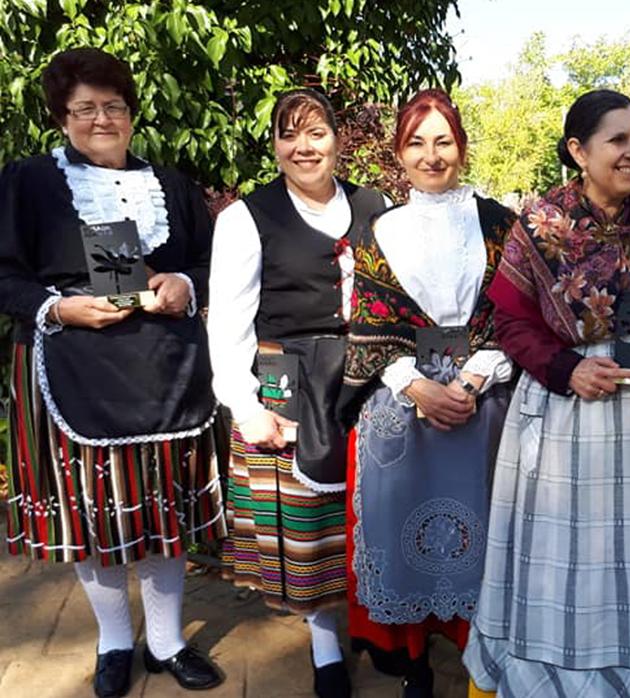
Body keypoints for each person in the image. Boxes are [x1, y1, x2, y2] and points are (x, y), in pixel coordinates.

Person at [461, 89, 630, 697]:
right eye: (618, 140)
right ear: (579, 151)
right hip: (565, 419)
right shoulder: (537, 227)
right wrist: (564, 370)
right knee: (566, 566)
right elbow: (512, 324)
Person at [0, 48, 225, 697]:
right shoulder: (29, 182)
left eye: (114, 106)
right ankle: (115, 641)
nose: (102, 119)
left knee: (162, 515)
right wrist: (58, 307)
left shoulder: (174, 187)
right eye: (85, 109)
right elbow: (3, 276)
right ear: (62, 117)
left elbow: (214, 266)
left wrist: (185, 282)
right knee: (93, 520)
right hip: (70, 370)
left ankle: (166, 640)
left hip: (163, 376)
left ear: (131, 113)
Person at [207, 88, 388, 698]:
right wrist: (245, 404)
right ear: (276, 145)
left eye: (315, 133)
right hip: (287, 384)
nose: (303, 147)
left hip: (364, 378)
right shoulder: (246, 218)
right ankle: (326, 642)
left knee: (368, 513)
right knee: (311, 525)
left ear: (337, 139)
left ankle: (375, 624)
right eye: (289, 134)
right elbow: (228, 320)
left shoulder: (375, 205)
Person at [338, 89, 516, 698]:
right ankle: (414, 662)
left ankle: (481, 662)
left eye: (443, 141)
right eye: (417, 142)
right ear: (399, 151)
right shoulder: (379, 229)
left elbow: (513, 318)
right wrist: (417, 387)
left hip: (484, 401)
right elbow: (366, 324)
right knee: (402, 531)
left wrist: (469, 380)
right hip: (402, 402)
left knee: (487, 535)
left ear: (461, 147)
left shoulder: (501, 225)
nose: (431, 155)